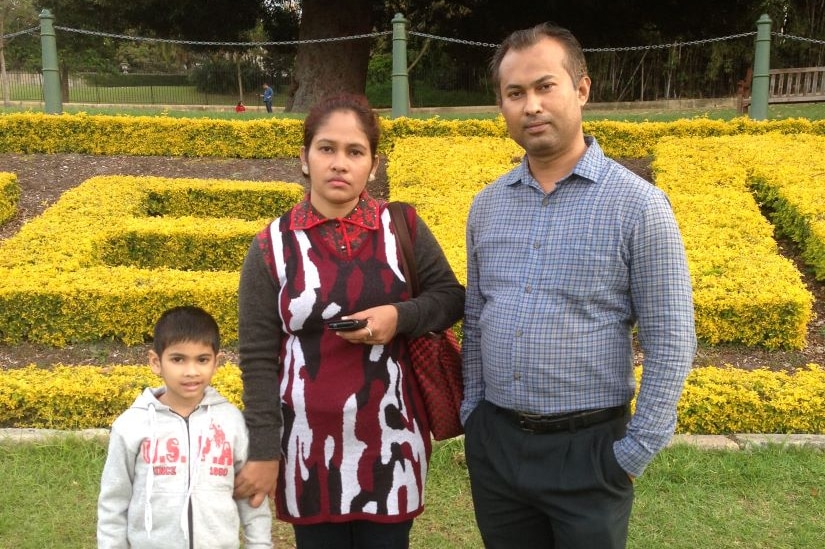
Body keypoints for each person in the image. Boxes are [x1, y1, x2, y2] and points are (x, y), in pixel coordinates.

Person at [461, 22, 697, 549]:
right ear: (501, 104)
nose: (532, 106)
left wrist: (635, 452)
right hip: (496, 446)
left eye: (546, 86)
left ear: (582, 89)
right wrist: (473, 414)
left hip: (590, 451)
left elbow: (672, 337)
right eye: (514, 93)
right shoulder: (488, 206)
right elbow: (475, 318)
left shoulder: (638, 206)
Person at [233, 93, 464, 549]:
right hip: (306, 447)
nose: (340, 163)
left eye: (354, 152)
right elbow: (258, 358)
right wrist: (263, 450)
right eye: (327, 149)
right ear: (304, 158)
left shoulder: (403, 228)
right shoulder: (271, 247)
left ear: (372, 166)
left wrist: (399, 316)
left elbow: (450, 298)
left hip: (392, 441)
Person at [97, 306, 272, 549]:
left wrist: (260, 545)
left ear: (216, 362)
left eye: (202, 359)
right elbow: (113, 502)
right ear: (156, 362)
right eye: (178, 359)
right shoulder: (131, 426)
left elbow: (251, 496)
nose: (191, 371)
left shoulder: (231, 422)